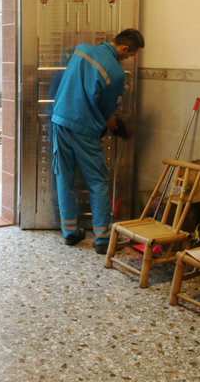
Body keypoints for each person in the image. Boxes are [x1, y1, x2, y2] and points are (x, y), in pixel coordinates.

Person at [51, 28, 144, 255]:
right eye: (131, 54)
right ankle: (102, 238)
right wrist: (110, 120)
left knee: (64, 177)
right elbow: (106, 109)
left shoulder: (81, 50)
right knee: (97, 181)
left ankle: (70, 232)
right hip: (84, 128)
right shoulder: (117, 73)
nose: (129, 58)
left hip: (61, 120)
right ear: (124, 48)